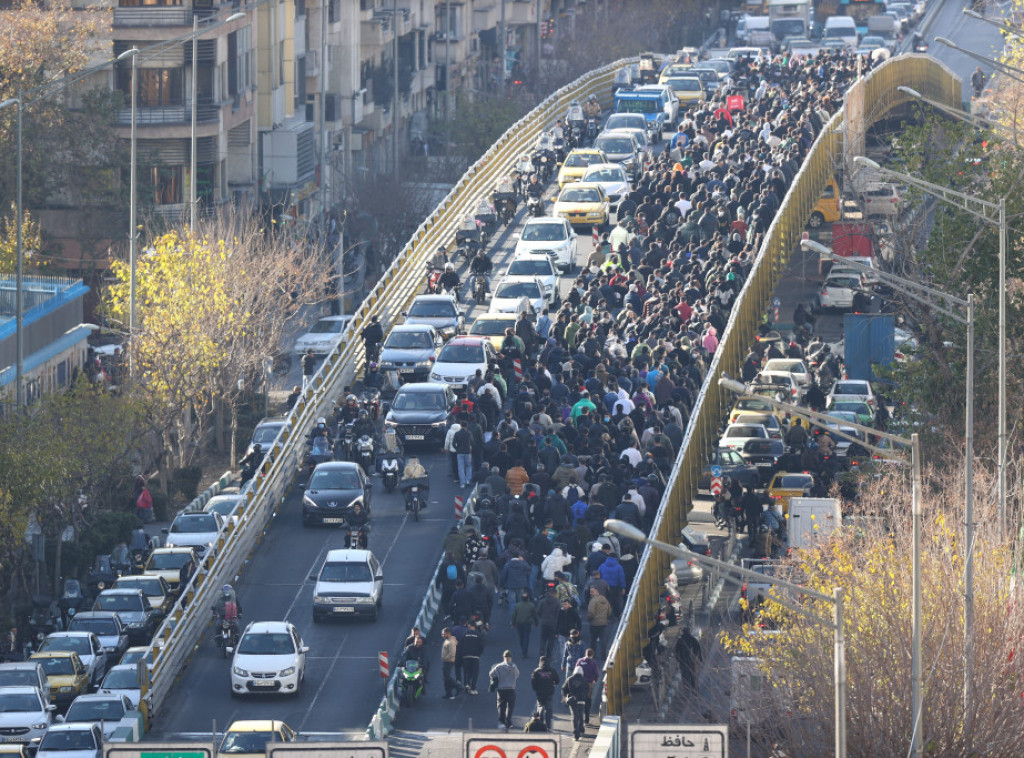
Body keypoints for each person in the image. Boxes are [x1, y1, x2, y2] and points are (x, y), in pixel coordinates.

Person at [489, 650, 520, 731]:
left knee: (501, 706)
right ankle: (508, 721)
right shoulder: (514, 667)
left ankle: (501, 722)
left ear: (503, 657)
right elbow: (517, 675)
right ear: (511, 658)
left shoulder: (498, 666)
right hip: (511, 689)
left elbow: (491, 674)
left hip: (501, 689)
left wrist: (497, 679)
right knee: (510, 706)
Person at [530, 655, 561, 730]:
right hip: (549, 692)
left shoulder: (537, 671)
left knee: (540, 707)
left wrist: (536, 689)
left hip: (540, 693)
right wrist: (554, 684)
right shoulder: (552, 670)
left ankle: (540, 725)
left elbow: (533, 682)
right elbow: (557, 680)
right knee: (548, 709)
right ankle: (548, 726)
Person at [562, 665, 590, 740]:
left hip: (572, 701)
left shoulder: (570, 679)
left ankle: (576, 734)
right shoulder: (584, 680)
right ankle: (581, 728)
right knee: (580, 715)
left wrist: (565, 696)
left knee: (574, 716)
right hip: (582, 701)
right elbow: (588, 690)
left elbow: (564, 688)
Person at [574, 648, 600, 724]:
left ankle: (579, 717)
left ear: (585, 654)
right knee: (588, 701)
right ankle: (587, 717)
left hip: (579, 683)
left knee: (579, 700)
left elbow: (576, 671)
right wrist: (595, 681)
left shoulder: (579, 661)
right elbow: (597, 674)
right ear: (592, 655)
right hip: (589, 684)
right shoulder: (593, 663)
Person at [586, 586, 612, 660]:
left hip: (594, 623)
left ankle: (592, 655)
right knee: (603, 639)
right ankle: (603, 656)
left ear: (597, 592)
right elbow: (609, 611)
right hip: (603, 622)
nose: (591, 593)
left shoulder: (593, 601)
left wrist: (588, 619)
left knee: (593, 640)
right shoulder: (604, 599)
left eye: (592, 592)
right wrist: (605, 617)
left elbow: (591, 612)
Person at [510, 590, 538, 658]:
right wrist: (536, 623)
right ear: (528, 598)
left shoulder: (517, 605)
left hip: (519, 623)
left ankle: (523, 647)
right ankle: (524, 651)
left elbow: (514, 615)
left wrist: (513, 623)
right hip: (527, 623)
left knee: (521, 637)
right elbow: (535, 615)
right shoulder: (532, 605)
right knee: (526, 637)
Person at [674, 627, 702, 691]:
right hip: (691, 661)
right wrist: (699, 657)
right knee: (693, 675)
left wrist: (678, 659)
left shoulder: (680, 640)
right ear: (689, 632)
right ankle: (694, 689)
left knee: (684, 676)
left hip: (683, 661)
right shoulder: (692, 639)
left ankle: (686, 689)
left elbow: (676, 651)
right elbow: (698, 648)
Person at [461, 619, 485, 694]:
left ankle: (467, 684)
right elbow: (481, 646)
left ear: (469, 625)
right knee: (475, 672)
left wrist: (462, 654)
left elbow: (460, 644)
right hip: (475, 656)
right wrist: (479, 654)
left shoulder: (464, 633)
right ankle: (473, 688)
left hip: (466, 656)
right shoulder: (478, 634)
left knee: (466, 671)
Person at [441, 627, 459, 700]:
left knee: (447, 678)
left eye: (444, 634)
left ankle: (458, 687)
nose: (443, 635)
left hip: (448, 661)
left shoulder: (451, 642)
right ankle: (448, 693)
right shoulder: (447, 640)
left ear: (448, 633)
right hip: (446, 661)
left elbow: (452, 653)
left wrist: (445, 658)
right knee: (446, 679)